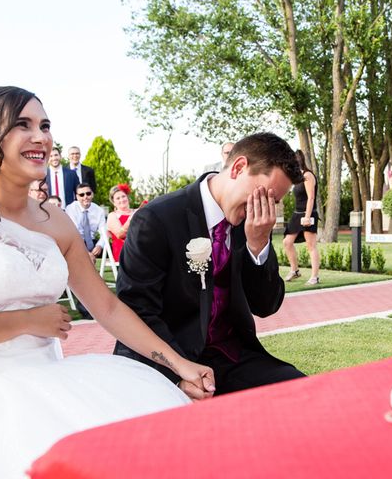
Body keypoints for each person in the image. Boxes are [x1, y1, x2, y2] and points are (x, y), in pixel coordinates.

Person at [0, 86, 214, 479]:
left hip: (53, 384)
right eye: (22, 125)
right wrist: (29, 320)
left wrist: (180, 363)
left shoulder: (53, 219)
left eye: (45, 125)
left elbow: (108, 307)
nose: (41, 137)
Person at [114, 132, 307, 399]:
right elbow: (135, 311)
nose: (266, 209)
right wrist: (176, 374)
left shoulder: (250, 223)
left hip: (229, 355)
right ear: (239, 168)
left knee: (302, 392)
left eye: (272, 203)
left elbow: (265, 306)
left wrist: (258, 244)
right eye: (265, 196)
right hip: (165, 360)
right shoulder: (157, 219)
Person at [282, 150, 321, 285]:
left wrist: (307, 217)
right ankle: (295, 271)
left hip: (308, 214)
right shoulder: (297, 177)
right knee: (287, 242)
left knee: (311, 245)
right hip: (297, 214)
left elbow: (311, 198)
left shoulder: (308, 175)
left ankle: (315, 277)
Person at [65, 183, 105, 262]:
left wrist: (100, 245)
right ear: (77, 197)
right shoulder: (71, 209)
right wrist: (85, 252)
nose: (85, 197)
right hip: (76, 242)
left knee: (112, 248)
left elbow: (104, 232)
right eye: (81, 195)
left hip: (92, 242)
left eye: (88, 193)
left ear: (92, 194)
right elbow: (74, 233)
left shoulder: (99, 211)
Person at [106, 183, 135, 262]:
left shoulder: (136, 211)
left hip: (139, 245)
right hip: (123, 250)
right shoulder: (112, 216)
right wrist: (131, 218)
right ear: (114, 202)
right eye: (118, 198)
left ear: (128, 198)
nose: (121, 200)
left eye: (123, 196)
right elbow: (119, 234)